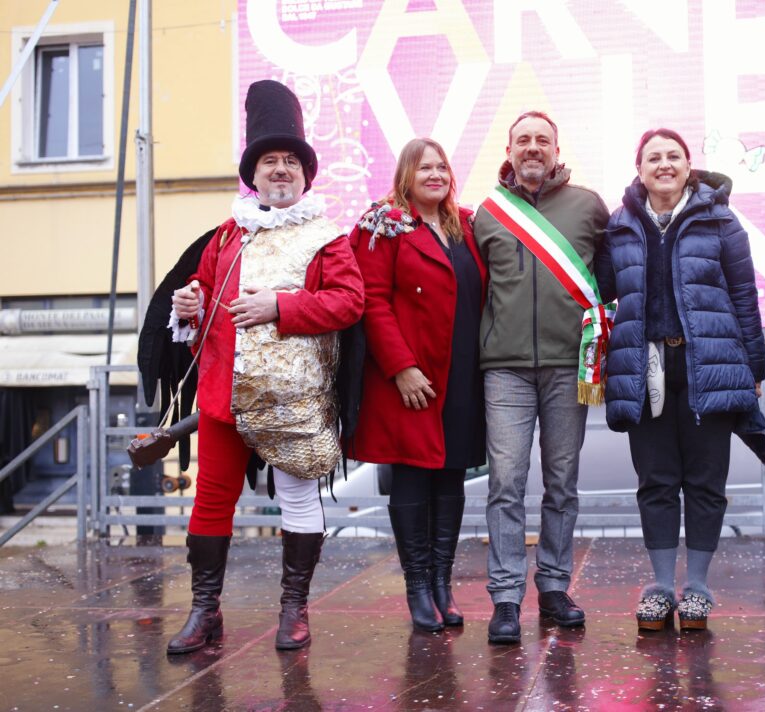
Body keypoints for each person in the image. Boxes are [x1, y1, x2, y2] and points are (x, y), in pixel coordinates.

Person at [166, 80, 364, 654]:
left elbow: (349, 302)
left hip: (293, 401)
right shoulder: (228, 235)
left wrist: (281, 306)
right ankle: (205, 612)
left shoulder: (327, 237)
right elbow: (206, 290)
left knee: (298, 500)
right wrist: (191, 303)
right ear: (253, 175)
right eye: (270, 161)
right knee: (211, 500)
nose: (281, 169)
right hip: (224, 396)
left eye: (291, 161)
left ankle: (294, 610)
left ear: (306, 175)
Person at [595, 128, 765, 631]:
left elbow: (744, 296)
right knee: (656, 480)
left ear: (689, 166)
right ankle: (660, 587)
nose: (664, 164)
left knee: (706, 481)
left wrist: (754, 368)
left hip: (707, 365)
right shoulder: (619, 225)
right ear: (640, 169)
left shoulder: (721, 221)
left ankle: (697, 588)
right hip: (644, 367)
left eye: (674, 156)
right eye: (654, 157)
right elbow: (604, 293)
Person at [475, 111, 610, 644]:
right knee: (505, 483)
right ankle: (506, 597)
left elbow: (615, 276)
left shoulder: (589, 206)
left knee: (561, 482)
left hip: (566, 366)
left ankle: (554, 587)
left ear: (557, 149)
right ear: (509, 150)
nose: (533, 147)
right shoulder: (486, 214)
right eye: (523, 140)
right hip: (504, 368)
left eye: (542, 140)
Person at [346, 138, 487, 632]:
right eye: (424, 167)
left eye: (442, 166)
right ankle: (418, 589)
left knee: (451, 476)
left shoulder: (466, 225)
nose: (435, 175)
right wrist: (401, 366)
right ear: (406, 175)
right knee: (411, 476)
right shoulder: (382, 225)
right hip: (411, 378)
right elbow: (372, 301)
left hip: (461, 372)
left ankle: (443, 584)